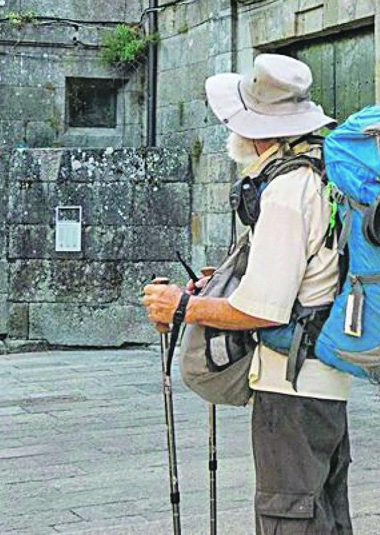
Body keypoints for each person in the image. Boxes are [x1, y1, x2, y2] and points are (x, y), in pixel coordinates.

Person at [143, 54, 351, 534]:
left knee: (289, 520)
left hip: (292, 387)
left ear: (255, 127)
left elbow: (262, 308)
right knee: (325, 517)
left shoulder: (286, 190)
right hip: (323, 381)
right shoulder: (321, 171)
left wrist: (182, 306)